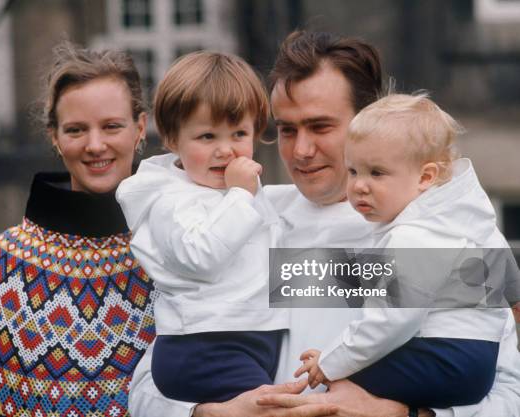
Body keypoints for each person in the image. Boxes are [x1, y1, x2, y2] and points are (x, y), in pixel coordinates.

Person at [128, 30, 520, 417]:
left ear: (371, 121)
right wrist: (209, 413)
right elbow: (151, 385)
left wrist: (404, 415)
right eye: (286, 129)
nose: (301, 150)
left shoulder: (446, 228)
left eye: (320, 126)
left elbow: (506, 390)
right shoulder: (239, 220)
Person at [0, 42, 157, 417]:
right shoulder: (9, 263)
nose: (95, 145)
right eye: (76, 129)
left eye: (112, 126)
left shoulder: (178, 245)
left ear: (140, 127)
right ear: (54, 136)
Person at [297, 93, 510, 408]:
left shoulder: (414, 236)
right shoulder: (459, 223)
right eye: (353, 171)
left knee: (333, 385)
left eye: (377, 173)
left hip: (447, 359)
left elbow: (391, 320)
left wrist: (330, 361)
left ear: (425, 177)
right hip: (469, 361)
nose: (358, 186)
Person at [116, 51, 288, 404]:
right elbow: (201, 256)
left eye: (239, 133)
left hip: (250, 340)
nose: (225, 150)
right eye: (207, 137)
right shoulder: (171, 201)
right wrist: (241, 195)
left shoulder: (248, 197)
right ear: (171, 138)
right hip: (204, 346)